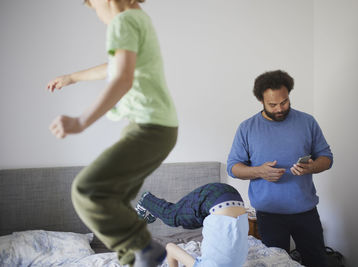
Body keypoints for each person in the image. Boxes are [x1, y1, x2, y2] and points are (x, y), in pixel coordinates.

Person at [46, 0, 178, 266]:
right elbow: (115, 67)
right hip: (160, 127)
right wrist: (72, 77)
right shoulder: (140, 19)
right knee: (113, 198)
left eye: (93, 6)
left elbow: (122, 78)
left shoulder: (123, 22)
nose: (96, 14)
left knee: (87, 191)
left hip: (149, 127)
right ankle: (135, 257)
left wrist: (81, 121)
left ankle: (144, 247)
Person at [227, 70, 333, 267]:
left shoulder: (307, 122)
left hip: (306, 211)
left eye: (284, 102)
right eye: (272, 105)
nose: (279, 109)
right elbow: (233, 168)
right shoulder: (247, 128)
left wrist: (311, 167)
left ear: (289, 95)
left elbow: (327, 158)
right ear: (261, 101)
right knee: (277, 264)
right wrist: (259, 171)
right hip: (269, 215)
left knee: (318, 261)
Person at [135, 183, 249, 267]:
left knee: (190, 223)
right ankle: (146, 200)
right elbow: (170, 248)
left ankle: (156, 210)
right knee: (171, 217)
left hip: (234, 199)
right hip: (214, 198)